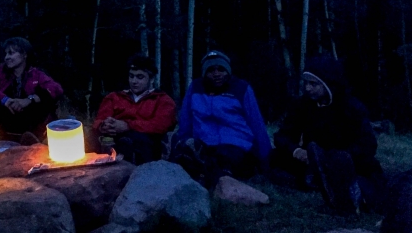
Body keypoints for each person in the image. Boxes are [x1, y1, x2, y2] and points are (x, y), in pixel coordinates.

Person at [271, 56, 384, 214]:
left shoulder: (352, 107)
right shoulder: (302, 105)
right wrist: (296, 150)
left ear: (328, 84)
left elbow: (368, 145)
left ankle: (346, 192)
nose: (307, 88)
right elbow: (282, 136)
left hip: (348, 162)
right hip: (312, 159)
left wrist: (337, 158)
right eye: (306, 83)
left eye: (313, 84)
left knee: (365, 179)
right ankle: (318, 181)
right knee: (274, 158)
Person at [171, 50, 271, 188]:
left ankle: (213, 177)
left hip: (236, 143)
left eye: (221, 69)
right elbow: (186, 120)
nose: (216, 74)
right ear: (204, 72)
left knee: (225, 158)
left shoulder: (241, 88)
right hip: (204, 142)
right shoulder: (195, 87)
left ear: (228, 70)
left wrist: (265, 159)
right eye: (211, 70)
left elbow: (256, 123)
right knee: (187, 153)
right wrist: (183, 141)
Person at [0, 37, 63, 143]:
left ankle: (33, 138)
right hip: (5, 118)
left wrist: (29, 99)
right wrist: (5, 99)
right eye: (6, 54)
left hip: (29, 119)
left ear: (24, 55)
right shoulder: (0, 72)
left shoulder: (36, 74)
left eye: (11, 53)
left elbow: (56, 89)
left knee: (45, 101)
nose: (6, 57)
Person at [91, 54, 176, 164]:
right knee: (90, 135)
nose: (134, 81)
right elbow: (98, 120)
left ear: (152, 79)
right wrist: (104, 126)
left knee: (138, 140)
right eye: (131, 76)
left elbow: (160, 126)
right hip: (111, 137)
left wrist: (127, 125)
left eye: (140, 77)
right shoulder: (114, 97)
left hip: (145, 144)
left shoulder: (162, 100)